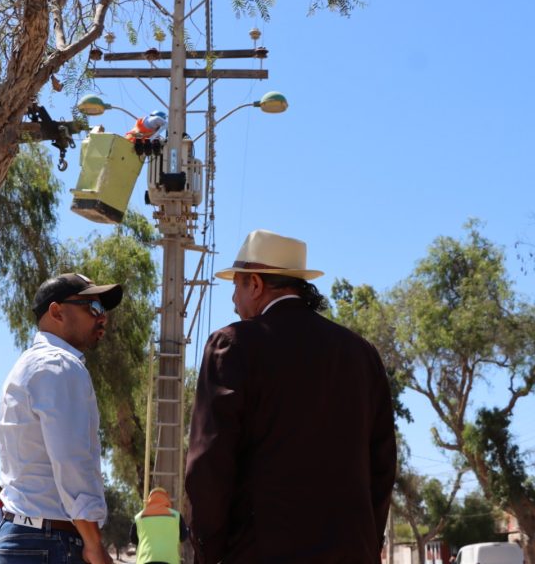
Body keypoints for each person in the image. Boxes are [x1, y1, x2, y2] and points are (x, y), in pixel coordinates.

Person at [185, 229, 397, 563]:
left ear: (255, 284)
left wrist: (207, 553)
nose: (233, 301)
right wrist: (367, 545)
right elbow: (382, 466)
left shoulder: (233, 347)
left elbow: (210, 465)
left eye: (236, 287)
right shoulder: (361, 354)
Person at [0, 273, 123, 564]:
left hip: (24, 535)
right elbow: (71, 461)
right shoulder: (59, 364)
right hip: (47, 543)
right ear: (56, 311)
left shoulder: (28, 364)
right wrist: (93, 543)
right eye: (93, 308)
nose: (102, 319)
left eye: (104, 311)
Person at [129, 487, 188, 564]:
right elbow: (183, 537)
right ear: (167, 499)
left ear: (149, 499)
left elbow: (133, 538)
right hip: (170, 561)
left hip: (145, 561)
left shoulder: (139, 517)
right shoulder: (176, 516)